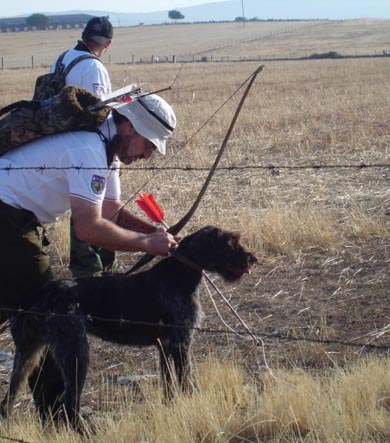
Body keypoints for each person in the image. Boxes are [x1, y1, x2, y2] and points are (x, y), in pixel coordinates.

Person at [0, 94, 179, 418]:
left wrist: (153, 231)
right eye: (148, 145)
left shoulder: (105, 148)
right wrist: (147, 244)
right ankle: (59, 418)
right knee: (51, 310)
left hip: (14, 220)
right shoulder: (89, 150)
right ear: (127, 126)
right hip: (6, 219)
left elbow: (110, 209)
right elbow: (88, 228)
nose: (147, 155)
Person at [50, 16, 116, 277]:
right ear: (107, 45)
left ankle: (85, 271)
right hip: (86, 150)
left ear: (83, 35)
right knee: (92, 210)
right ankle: (93, 273)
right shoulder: (94, 68)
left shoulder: (61, 59)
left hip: (57, 145)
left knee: (80, 210)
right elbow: (99, 115)